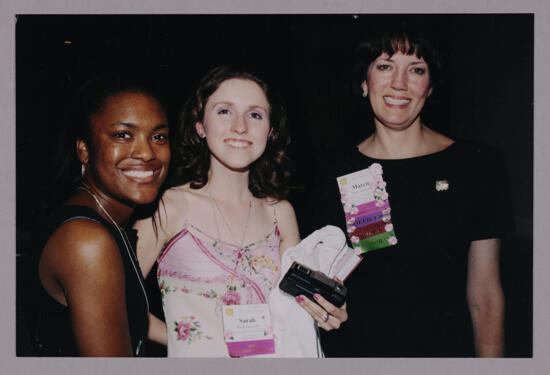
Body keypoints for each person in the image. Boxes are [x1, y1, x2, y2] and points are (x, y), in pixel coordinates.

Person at [314, 25, 514, 357]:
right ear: (364, 82)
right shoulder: (334, 171)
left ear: (431, 86)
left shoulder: (478, 165)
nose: (399, 83)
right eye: (384, 66)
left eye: (417, 69)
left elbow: (486, 297)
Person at [133, 65, 348, 357]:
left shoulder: (280, 213)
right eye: (224, 111)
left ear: (270, 131)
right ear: (200, 125)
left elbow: (296, 311)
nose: (240, 126)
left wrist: (325, 311)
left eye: (255, 115)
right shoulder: (170, 206)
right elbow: (111, 304)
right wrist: (184, 340)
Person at [34, 75, 171, 356]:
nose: (146, 152)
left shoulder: (108, 223)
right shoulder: (86, 239)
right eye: (123, 135)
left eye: (159, 137)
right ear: (84, 150)